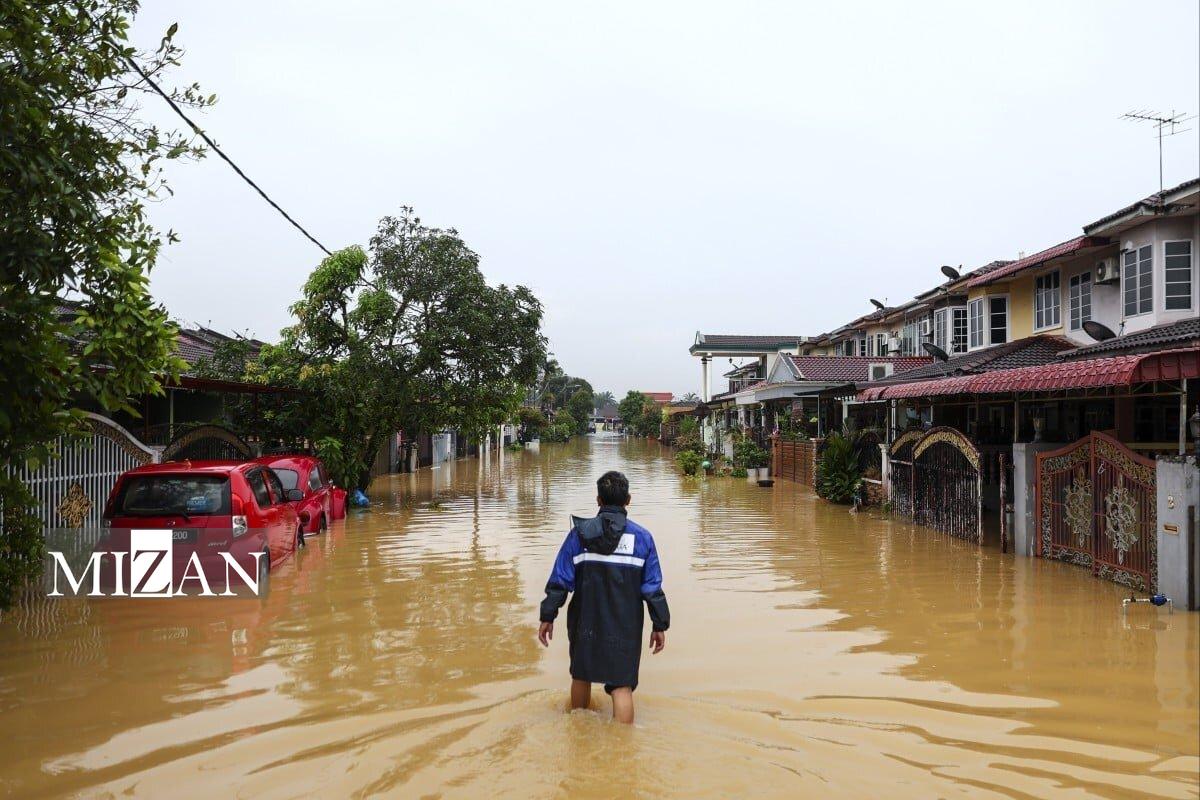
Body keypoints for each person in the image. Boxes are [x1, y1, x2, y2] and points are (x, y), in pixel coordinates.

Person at [537, 470, 670, 724]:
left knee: (581, 675)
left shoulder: (579, 535)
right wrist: (659, 624)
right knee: (621, 686)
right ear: (628, 500)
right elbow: (652, 587)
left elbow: (561, 580)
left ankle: (577, 732)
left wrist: (548, 616)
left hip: (585, 622)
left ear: (598, 500)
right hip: (625, 625)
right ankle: (622, 743)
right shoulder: (643, 539)